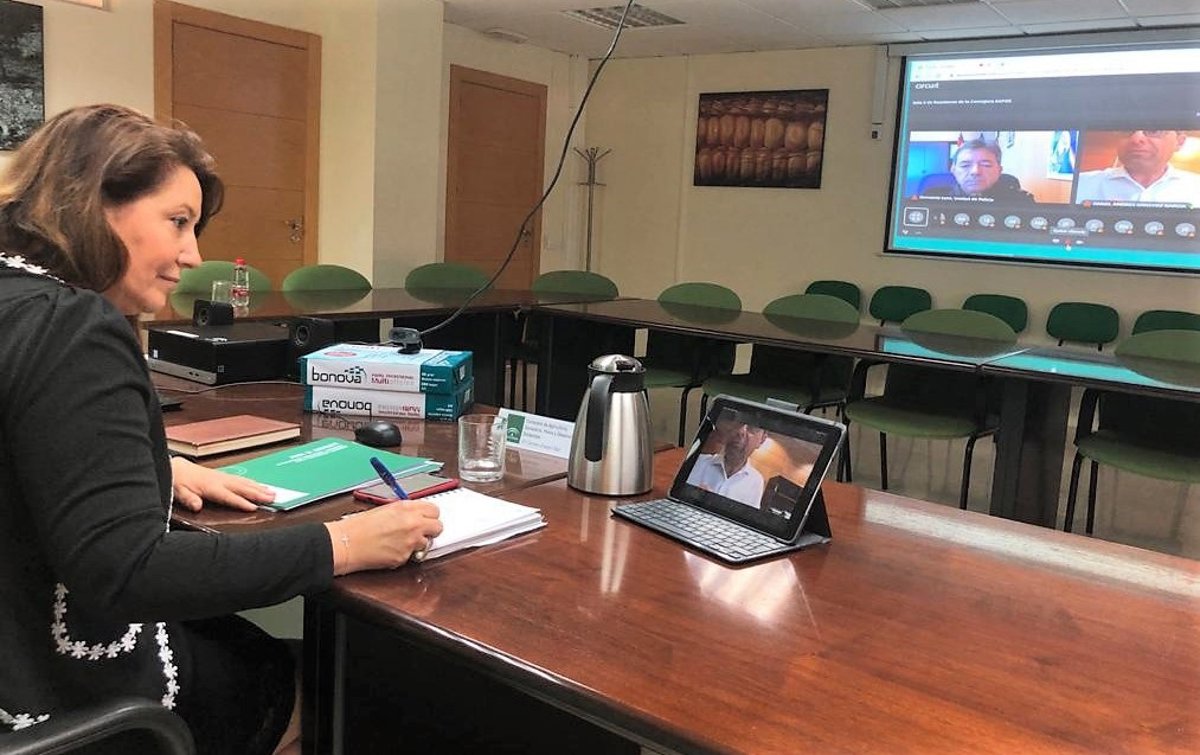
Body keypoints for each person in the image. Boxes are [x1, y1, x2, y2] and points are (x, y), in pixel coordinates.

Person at [0, 104, 444, 754]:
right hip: (60, 698)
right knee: (339, 686)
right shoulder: (74, 326)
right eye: (178, 221)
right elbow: (129, 572)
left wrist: (142, 465)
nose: (193, 255)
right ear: (92, 203)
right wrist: (344, 542)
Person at [1074, 129, 1200, 205]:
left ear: (1179, 142)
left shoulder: (1195, 187)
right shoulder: (1079, 184)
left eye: (1153, 130)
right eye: (1127, 131)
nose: (1136, 139)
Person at [686, 415, 768, 508]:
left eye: (752, 428)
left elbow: (746, 515)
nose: (740, 431)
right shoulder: (698, 462)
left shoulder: (756, 481)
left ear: (762, 440)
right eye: (738, 424)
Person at [925, 139, 1035, 202]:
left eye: (986, 165)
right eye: (965, 165)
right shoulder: (931, 198)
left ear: (999, 171)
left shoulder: (1021, 201)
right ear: (953, 170)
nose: (975, 172)